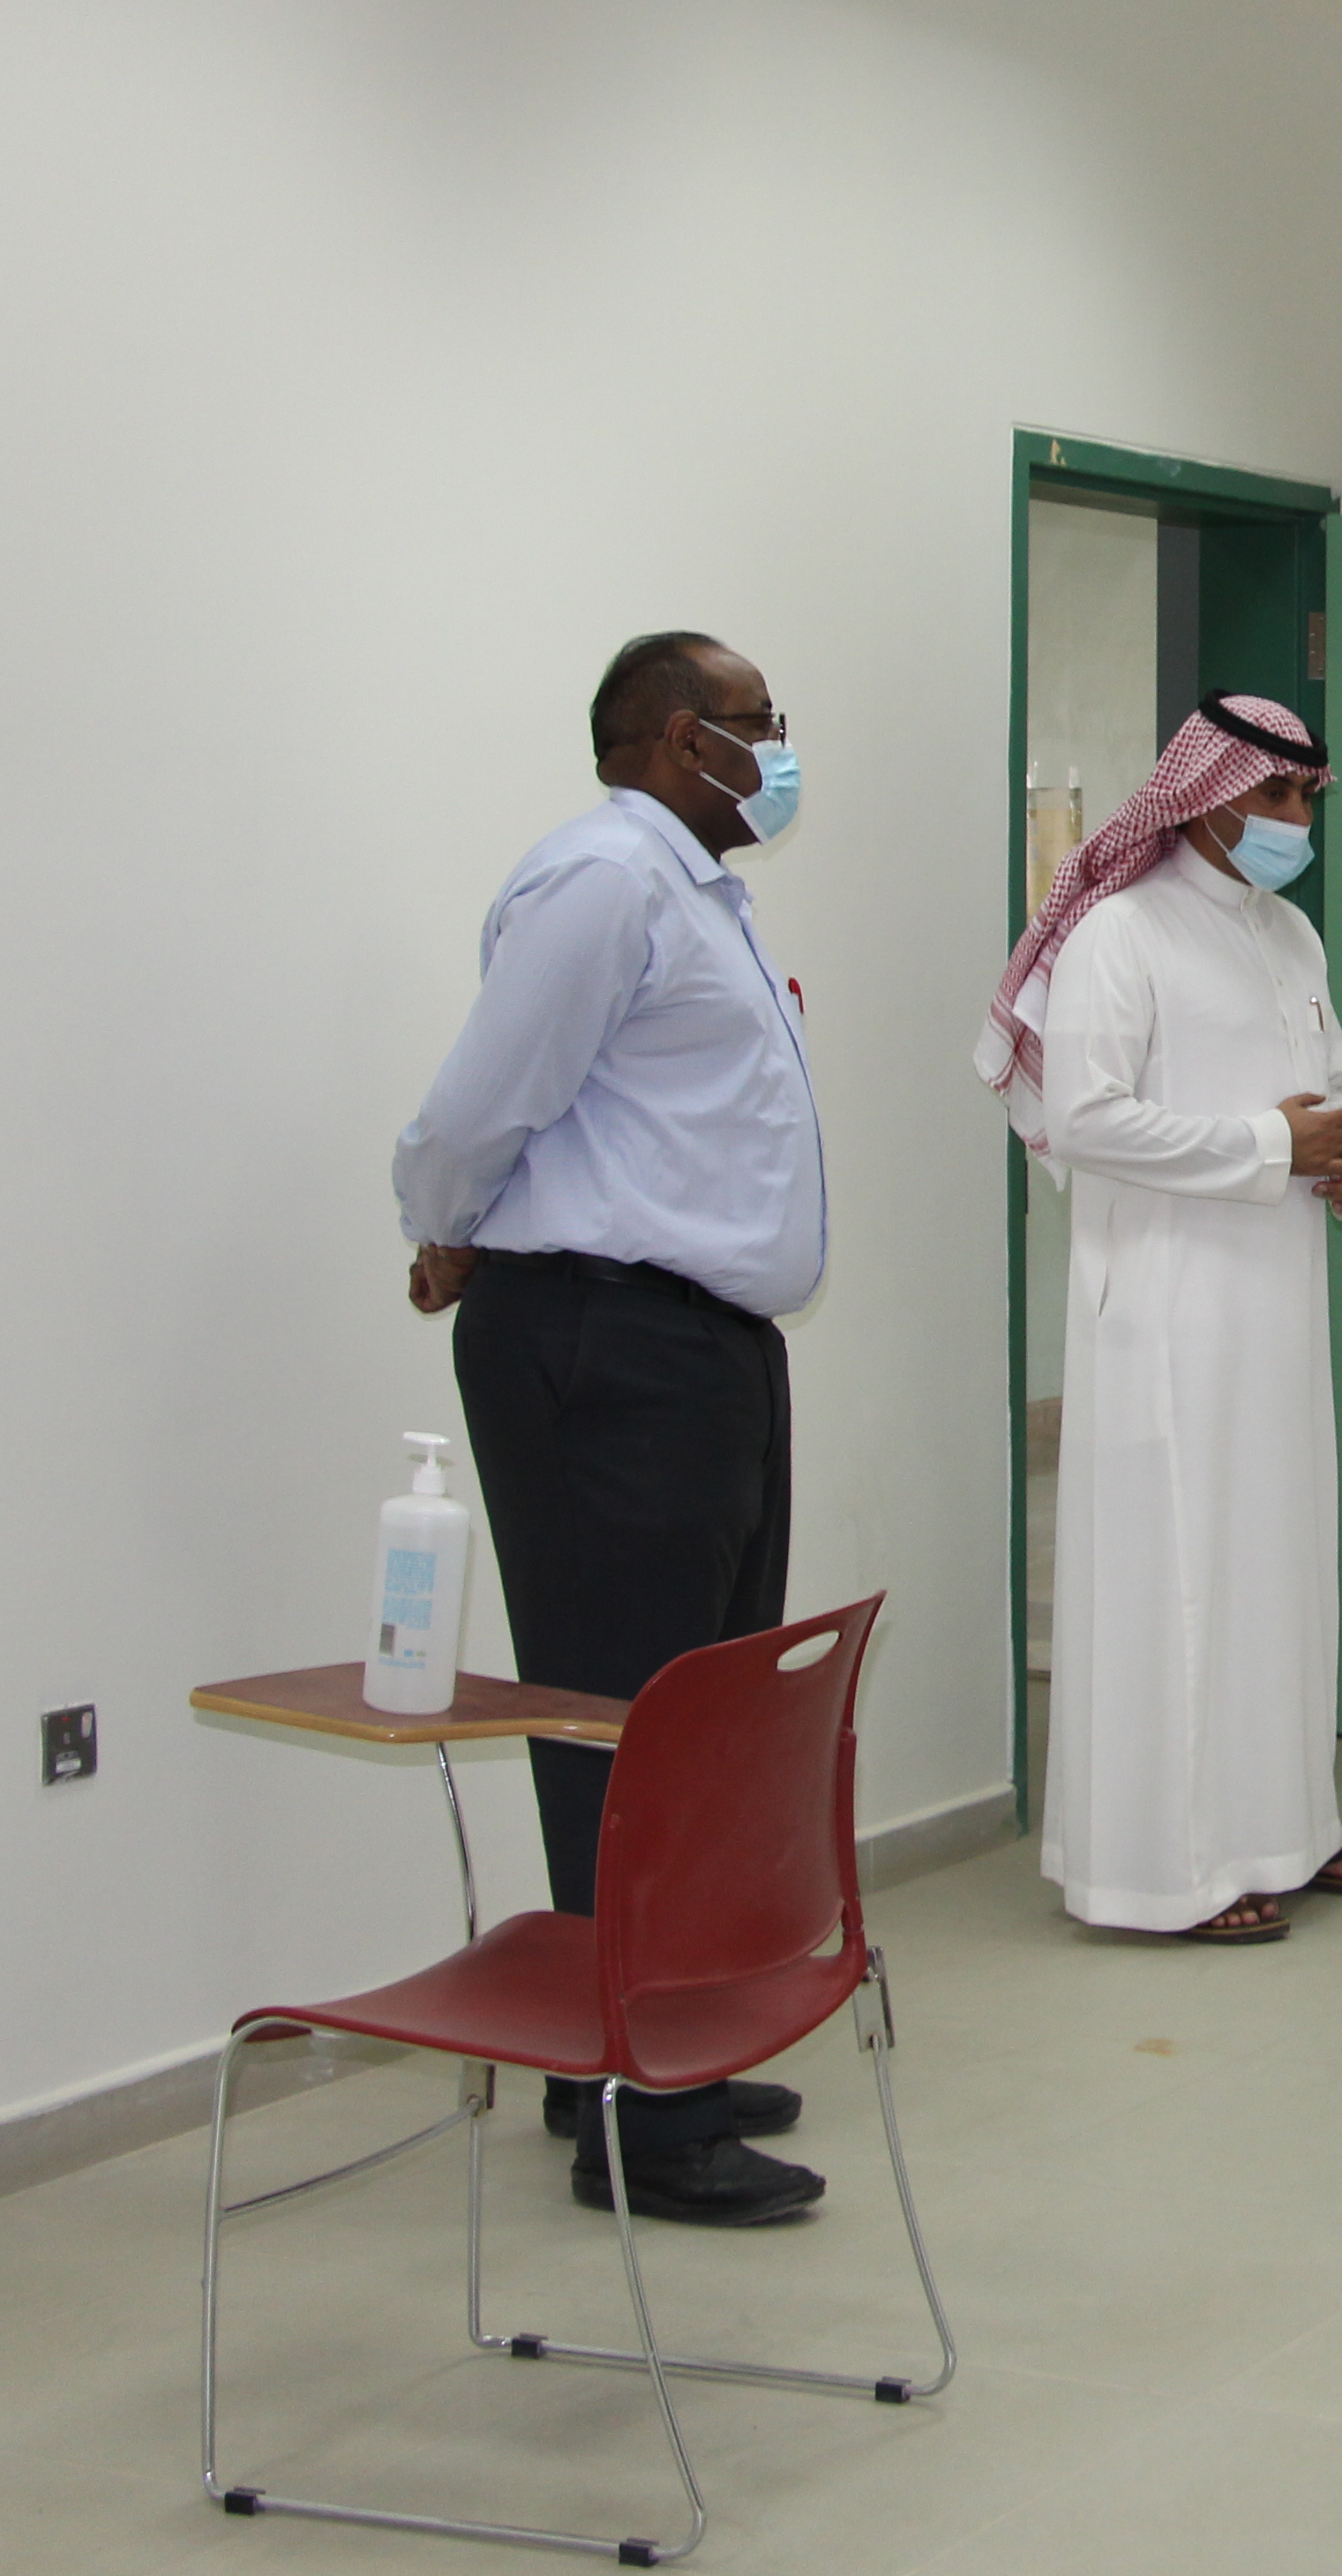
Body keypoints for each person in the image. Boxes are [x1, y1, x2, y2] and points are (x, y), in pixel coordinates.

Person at [395, 630, 831, 2229]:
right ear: (668, 738)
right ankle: (644, 2119)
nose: (779, 748)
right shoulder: (605, 881)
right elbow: (479, 1106)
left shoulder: (698, 894)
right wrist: (445, 1224)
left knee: (696, 1726)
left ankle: (643, 2053)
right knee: (627, 1731)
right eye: (753, 721)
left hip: (700, 1351)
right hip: (606, 1348)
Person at [978, 695, 1342, 1944]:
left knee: (1279, 1567)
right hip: (1164, 1312)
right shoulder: (1120, 933)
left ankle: (1291, 1830)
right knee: (1176, 1578)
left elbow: (1334, 1088)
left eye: (1306, 797)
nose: (1293, 819)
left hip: (1277, 1307)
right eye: (1273, 794)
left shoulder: (1290, 936)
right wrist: (1269, 1145)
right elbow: (1086, 1118)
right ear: (1203, 794)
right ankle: (1166, 1872)